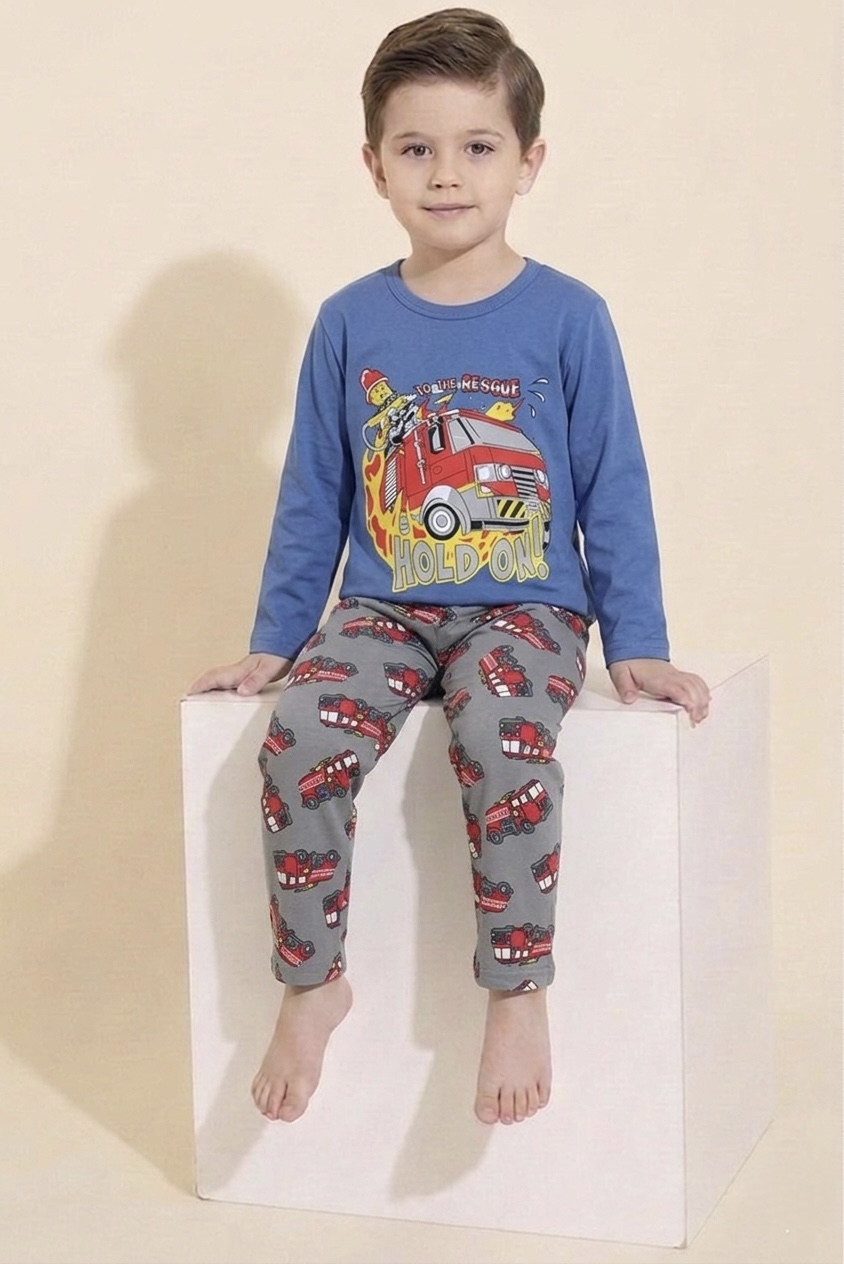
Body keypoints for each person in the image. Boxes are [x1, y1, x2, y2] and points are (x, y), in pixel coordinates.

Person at [190, 7, 710, 1129]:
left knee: (501, 735)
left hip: (529, 609)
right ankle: (312, 981)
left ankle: (517, 990)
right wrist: (277, 642)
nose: (445, 174)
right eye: (416, 148)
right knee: (301, 737)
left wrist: (639, 644)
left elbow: (613, 487)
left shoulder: (570, 317)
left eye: (477, 146)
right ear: (373, 164)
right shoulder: (349, 322)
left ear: (528, 161)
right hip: (382, 607)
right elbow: (313, 495)